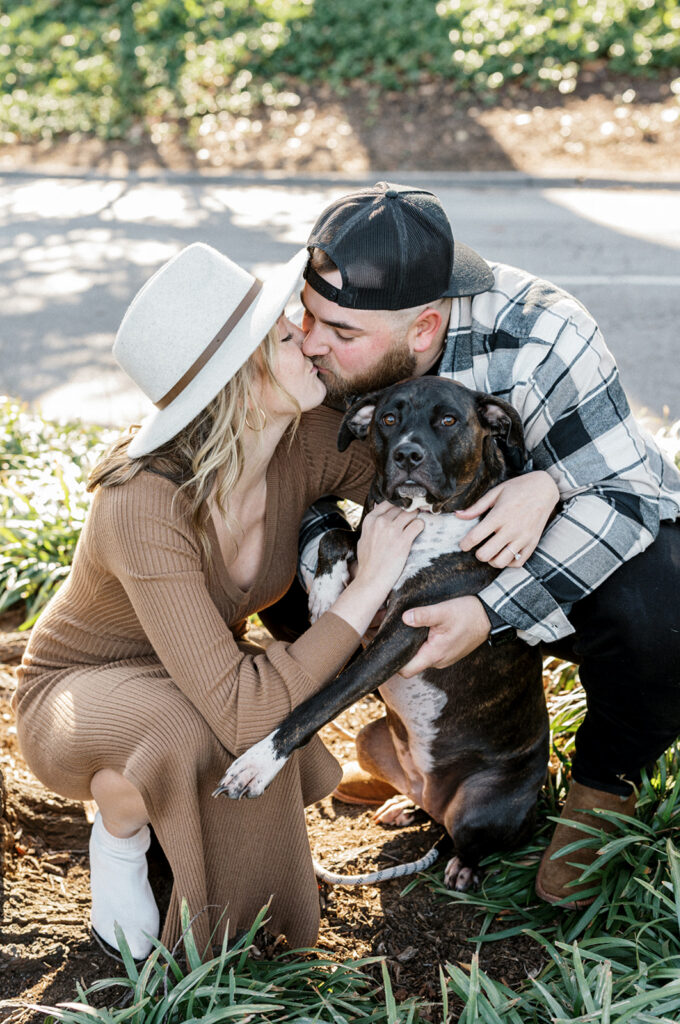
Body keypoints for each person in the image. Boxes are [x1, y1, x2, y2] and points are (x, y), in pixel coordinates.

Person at [263, 181, 680, 908]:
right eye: (308, 315)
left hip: (548, 540)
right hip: (403, 556)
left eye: (342, 333)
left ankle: (597, 795)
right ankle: (411, 734)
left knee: (661, 607)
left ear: (423, 331)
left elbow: (624, 498)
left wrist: (542, 496)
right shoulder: (316, 346)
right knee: (273, 547)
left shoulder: (542, 334)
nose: (313, 342)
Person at [13, 242, 427, 960]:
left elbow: (423, 476)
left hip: (198, 672)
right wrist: (360, 596)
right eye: (282, 334)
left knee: (219, 715)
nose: (307, 339)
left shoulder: (304, 440)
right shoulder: (141, 499)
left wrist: (529, 491)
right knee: (205, 724)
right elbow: (242, 708)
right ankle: (120, 830)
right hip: (79, 692)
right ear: (235, 375)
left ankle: (243, 914)